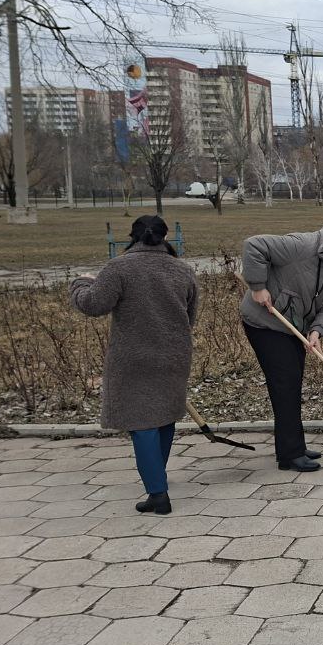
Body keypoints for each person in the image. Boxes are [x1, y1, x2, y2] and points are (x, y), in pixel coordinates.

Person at [70, 216, 198, 515]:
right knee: (164, 417)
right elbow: (189, 317)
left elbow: (93, 305)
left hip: (133, 357)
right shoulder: (182, 270)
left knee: (142, 424)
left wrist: (81, 283)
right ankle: (157, 479)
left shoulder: (119, 267)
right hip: (174, 354)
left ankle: (158, 493)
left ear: (133, 236)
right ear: (165, 237)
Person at [240, 217, 323, 471]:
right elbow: (254, 245)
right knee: (285, 384)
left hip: (294, 328)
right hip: (264, 323)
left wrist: (316, 331)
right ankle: (290, 455)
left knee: (291, 383)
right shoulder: (301, 246)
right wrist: (258, 286)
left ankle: (294, 446)